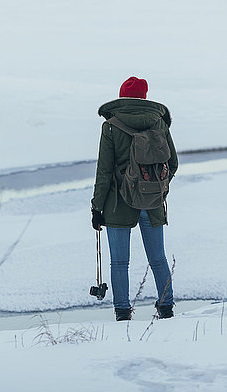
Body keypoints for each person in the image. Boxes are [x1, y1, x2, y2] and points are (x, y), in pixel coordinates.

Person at [91, 76, 178, 321]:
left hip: (119, 204)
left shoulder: (110, 125)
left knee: (119, 263)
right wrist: (158, 187)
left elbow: (104, 171)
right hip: (152, 203)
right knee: (158, 258)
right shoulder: (159, 123)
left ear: (121, 97)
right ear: (145, 97)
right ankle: (166, 308)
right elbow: (172, 164)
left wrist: (97, 207)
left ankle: (122, 313)